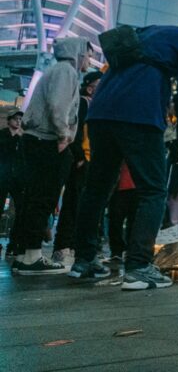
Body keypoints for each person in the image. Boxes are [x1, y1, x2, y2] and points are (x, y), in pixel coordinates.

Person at [69, 6, 178, 289]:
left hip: (101, 112)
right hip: (139, 114)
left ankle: (83, 260)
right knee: (154, 189)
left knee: (97, 188)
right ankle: (138, 266)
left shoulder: (149, 32)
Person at [12, 38, 91, 275]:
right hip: (47, 140)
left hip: (38, 139)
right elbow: (59, 107)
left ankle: (25, 254)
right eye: (87, 54)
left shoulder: (56, 70)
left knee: (34, 197)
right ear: (77, 54)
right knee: (44, 197)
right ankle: (32, 256)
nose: (89, 59)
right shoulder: (66, 72)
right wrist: (64, 135)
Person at [52, 71, 102, 265]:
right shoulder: (83, 102)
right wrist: (80, 156)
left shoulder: (94, 104)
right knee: (73, 203)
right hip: (82, 159)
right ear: (90, 87)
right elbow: (76, 127)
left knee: (81, 205)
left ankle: (72, 246)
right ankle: (63, 247)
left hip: (89, 159)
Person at [0, 109, 24, 256]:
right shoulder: (2, 135)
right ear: (9, 120)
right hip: (2, 176)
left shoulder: (22, 139)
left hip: (16, 178)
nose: (18, 121)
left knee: (21, 208)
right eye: (15, 119)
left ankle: (14, 243)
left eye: (20, 119)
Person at [107, 162, 139, 263]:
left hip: (133, 186)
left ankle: (124, 251)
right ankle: (118, 251)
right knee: (116, 220)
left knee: (131, 221)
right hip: (120, 186)